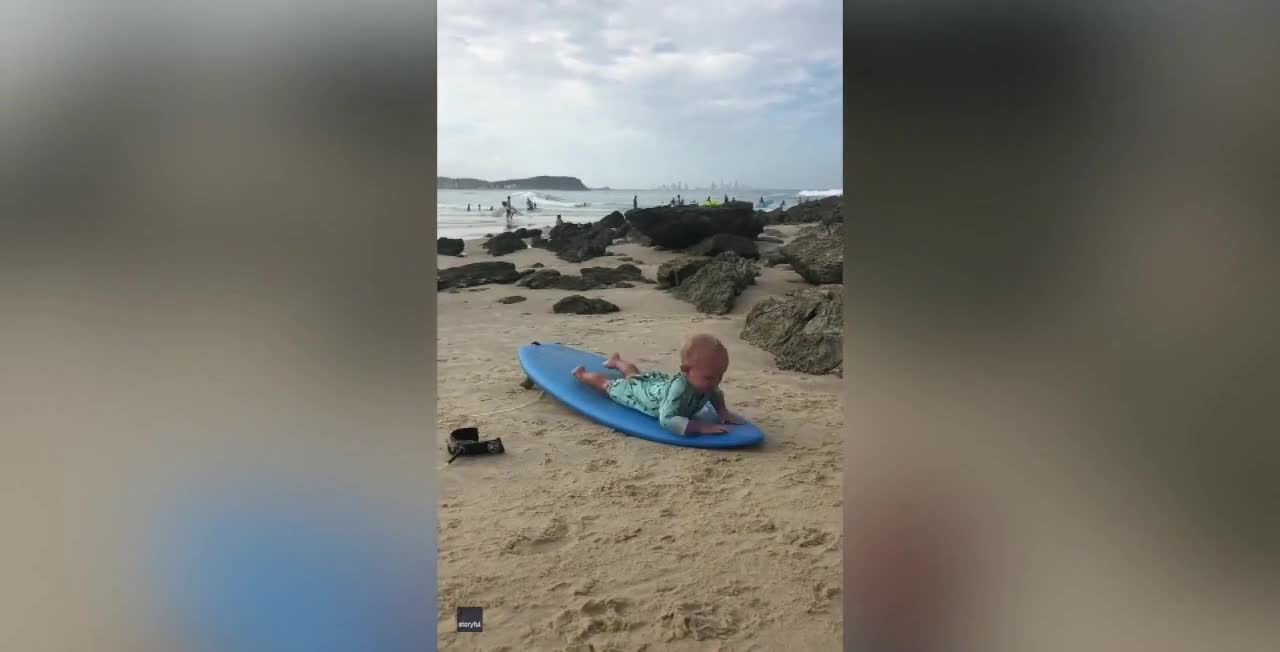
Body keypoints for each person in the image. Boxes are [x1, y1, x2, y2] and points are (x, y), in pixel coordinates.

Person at [571, 334, 745, 435]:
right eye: (709, 378)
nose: (716, 382)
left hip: (657, 384)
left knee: (635, 375)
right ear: (685, 370)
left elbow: (715, 393)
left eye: (720, 376)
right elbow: (667, 420)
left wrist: (722, 411)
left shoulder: (708, 384)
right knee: (609, 386)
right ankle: (582, 374)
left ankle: (617, 362)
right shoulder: (679, 389)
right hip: (644, 396)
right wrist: (701, 427)